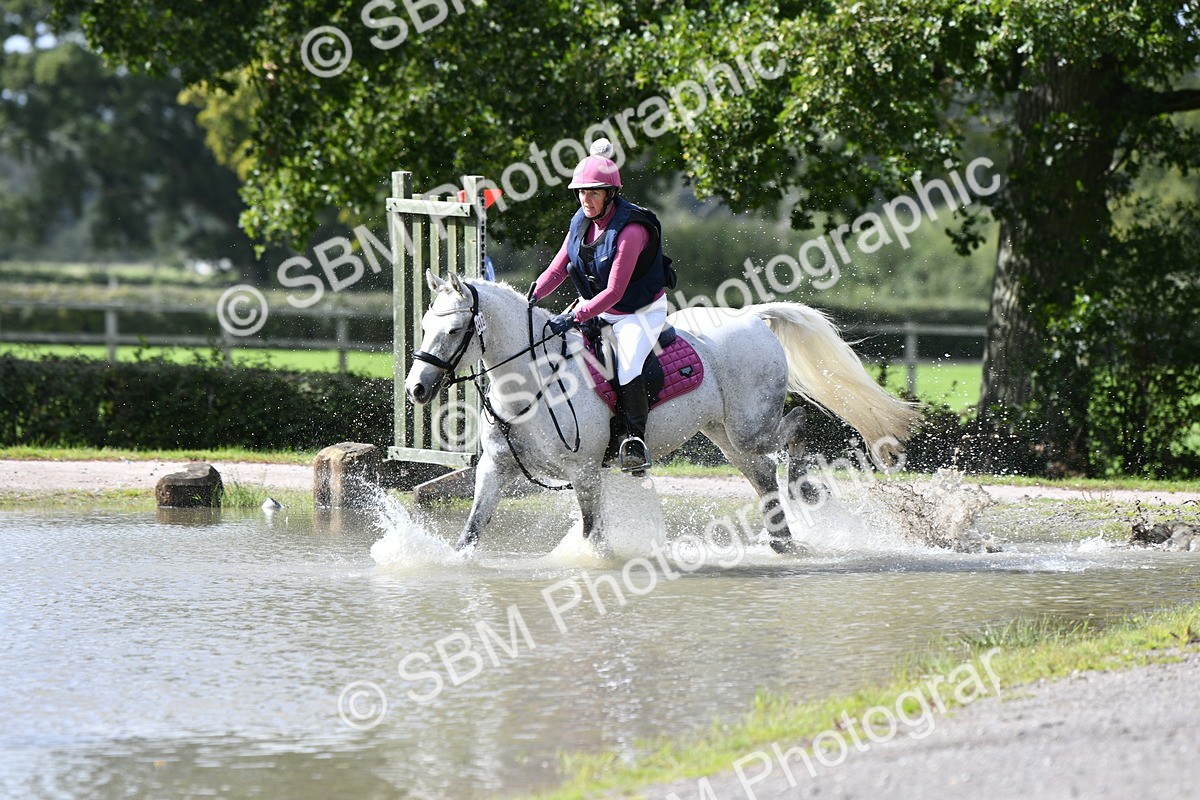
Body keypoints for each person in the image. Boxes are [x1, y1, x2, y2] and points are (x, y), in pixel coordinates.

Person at [528, 138, 670, 474]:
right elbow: (558, 268)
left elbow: (616, 291)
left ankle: (634, 441)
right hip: (597, 308)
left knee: (627, 366)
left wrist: (575, 315)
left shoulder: (631, 230)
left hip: (639, 314)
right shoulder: (580, 221)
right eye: (581, 192)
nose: (585, 199)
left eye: (593, 192)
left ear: (610, 193)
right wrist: (531, 297)